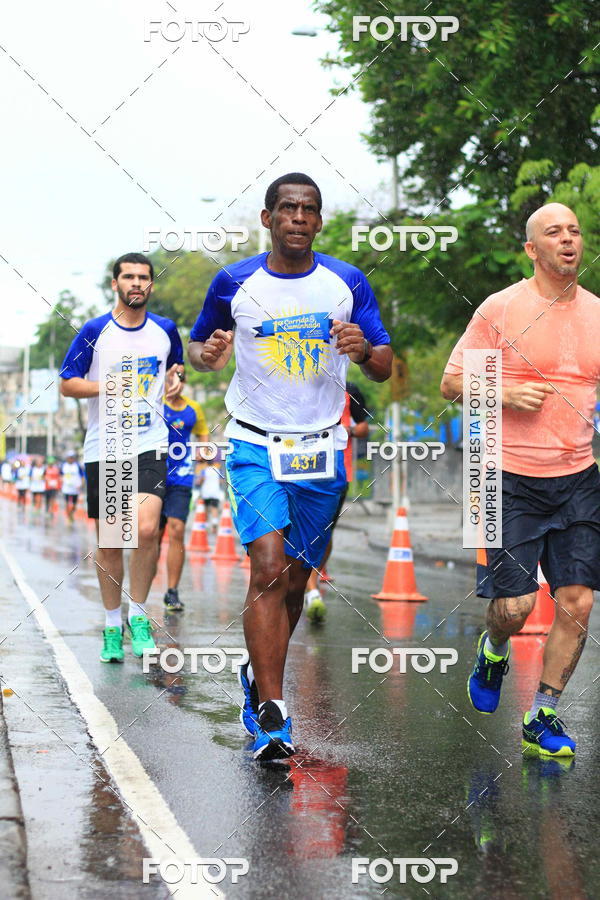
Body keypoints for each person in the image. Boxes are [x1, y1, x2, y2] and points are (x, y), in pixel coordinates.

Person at [188, 173, 391, 761]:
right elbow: (199, 348)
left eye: (308, 210)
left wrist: (363, 350)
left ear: (319, 221)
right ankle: (273, 714)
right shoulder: (233, 282)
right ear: (268, 218)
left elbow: (383, 363)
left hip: (321, 448)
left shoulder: (347, 282)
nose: (298, 218)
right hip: (253, 442)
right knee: (268, 567)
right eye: (287, 208)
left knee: (297, 581)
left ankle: (258, 679)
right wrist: (208, 354)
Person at [441, 202, 600, 758]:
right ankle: (493, 649)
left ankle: (542, 714)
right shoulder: (501, 308)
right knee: (515, 607)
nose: (568, 239)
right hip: (500, 475)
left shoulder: (597, 313)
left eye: (574, 231)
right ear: (532, 249)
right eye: (554, 232)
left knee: (577, 600)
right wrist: (504, 392)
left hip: (578, 475)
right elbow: (451, 383)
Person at [60, 252, 183, 663]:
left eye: (143, 277)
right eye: (128, 277)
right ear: (115, 284)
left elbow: (176, 366)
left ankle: (139, 616)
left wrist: (176, 378)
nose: (136, 283)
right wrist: (107, 385)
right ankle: (112, 625)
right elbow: (68, 384)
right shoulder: (95, 331)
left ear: (151, 284)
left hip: (150, 442)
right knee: (112, 542)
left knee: (146, 530)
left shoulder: (165, 330)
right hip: (107, 445)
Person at [304, 380, 370, 621]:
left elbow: (364, 427)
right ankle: (310, 589)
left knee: (325, 531)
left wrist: (347, 430)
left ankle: (310, 583)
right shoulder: (299, 382)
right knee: (303, 529)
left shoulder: (350, 390)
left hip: (338, 470)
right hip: (300, 468)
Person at [159, 365, 208, 612]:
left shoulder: (193, 409)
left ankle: (172, 591)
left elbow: (203, 435)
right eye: (169, 379)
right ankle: (140, 591)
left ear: (184, 382)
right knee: (152, 534)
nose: (174, 383)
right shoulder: (155, 404)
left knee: (177, 529)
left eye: (178, 378)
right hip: (154, 475)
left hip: (182, 476)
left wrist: (202, 461)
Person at [199, 457, 223, 533]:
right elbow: (221, 481)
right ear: (213, 463)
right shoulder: (217, 470)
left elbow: (201, 480)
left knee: (206, 509)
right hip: (215, 492)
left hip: (206, 493)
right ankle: (214, 525)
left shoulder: (204, 471)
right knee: (214, 509)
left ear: (206, 463)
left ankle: (206, 526)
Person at [61, 451, 84, 520]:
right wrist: (61, 481)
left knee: (74, 504)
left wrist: (81, 484)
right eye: (69, 458)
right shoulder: (64, 465)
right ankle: (69, 516)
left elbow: (82, 476)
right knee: (66, 503)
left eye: (72, 458)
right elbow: (60, 475)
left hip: (75, 488)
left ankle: (72, 513)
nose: (70, 459)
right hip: (66, 488)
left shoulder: (77, 466)